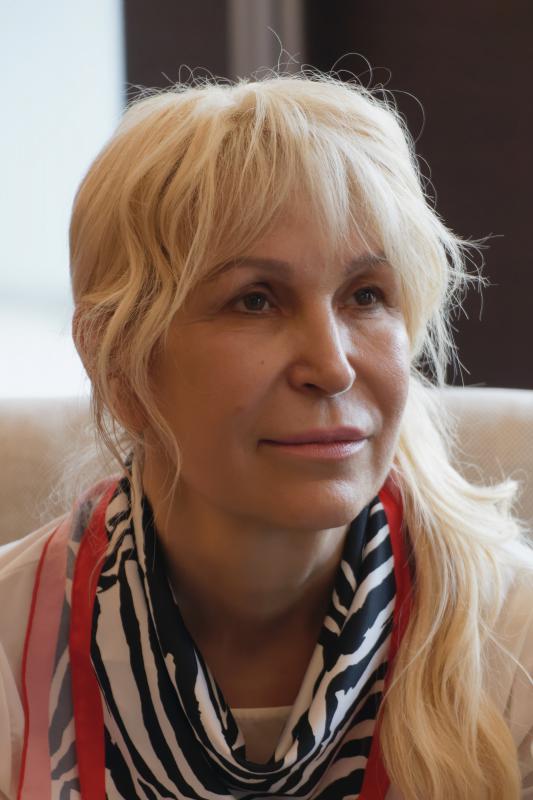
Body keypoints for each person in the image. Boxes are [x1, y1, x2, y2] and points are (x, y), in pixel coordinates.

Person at [0, 70, 532, 800]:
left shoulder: (514, 638)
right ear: (119, 364)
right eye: (255, 300)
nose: (333, 367)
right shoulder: (11, 643)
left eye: (366, 295)